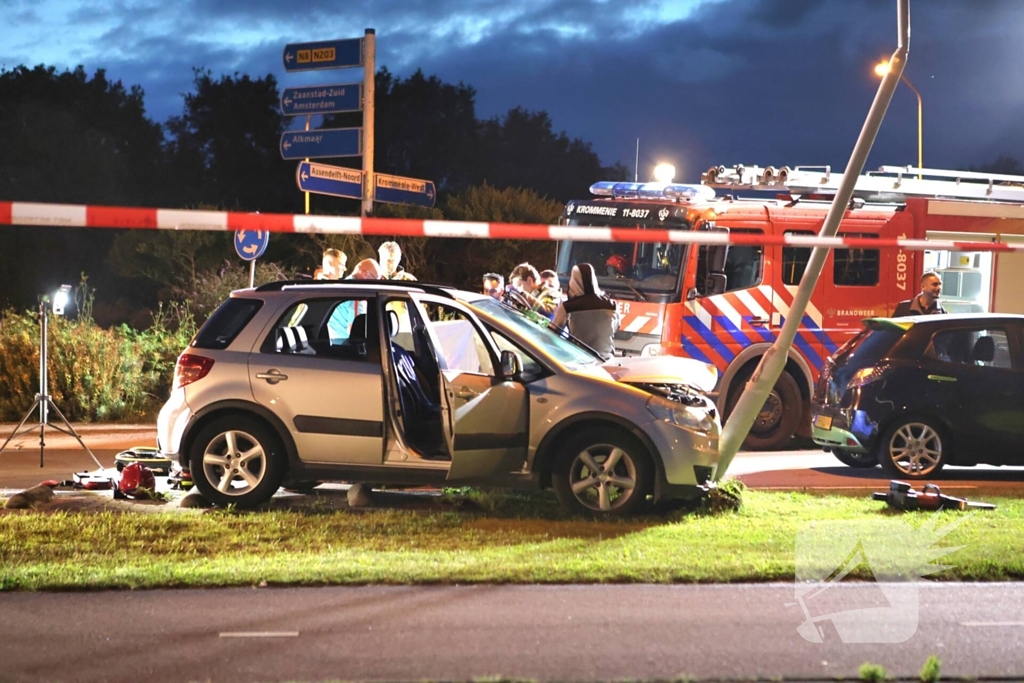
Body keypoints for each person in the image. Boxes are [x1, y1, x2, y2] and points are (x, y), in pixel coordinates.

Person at [552, 263, 620, 360]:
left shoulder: (567, 307)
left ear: (573, 281)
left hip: (578, 362)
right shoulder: (612, 305)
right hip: (605, 360)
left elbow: (552, 332)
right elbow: (616, 327)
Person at [327, 258, 384, 343]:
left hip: (334, 344)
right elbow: (356, 330)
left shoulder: (343, 286)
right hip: (345, 349)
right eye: (375, 279)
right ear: (366, 274)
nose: (375, 284)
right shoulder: (357, 295)